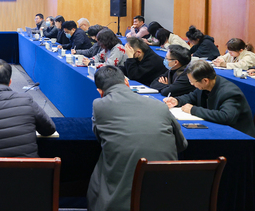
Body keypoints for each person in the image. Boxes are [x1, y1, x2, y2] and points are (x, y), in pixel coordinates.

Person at [88, 66, 187, 211]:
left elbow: (100, 137)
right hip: (165, 192)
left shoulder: (99, 105)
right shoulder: (158, 105)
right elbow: (182, 144)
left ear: (100, 92)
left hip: (120, 199)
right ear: (127, 82)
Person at [164, 60, 255, 138]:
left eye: (192, 81)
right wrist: (177, 101)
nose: (191, 84)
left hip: (238, 137)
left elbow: (226, 117)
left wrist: (193, 110)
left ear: (205, 80)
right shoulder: (206, 85)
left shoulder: (230, 92)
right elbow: (192, 97)